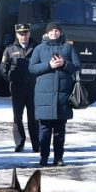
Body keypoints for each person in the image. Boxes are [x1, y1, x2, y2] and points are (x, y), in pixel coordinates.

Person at [28, 22, 80, 167]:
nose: (54, 33)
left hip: (63, 96)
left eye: (56, 31)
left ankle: (58, 158)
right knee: (44, 130)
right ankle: (43, 157)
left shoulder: (69, 47)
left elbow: (77, 66)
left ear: (60, 32)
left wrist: (64, 64)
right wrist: (49, 65)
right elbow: (32, 68)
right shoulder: (39, 48)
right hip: (44, 96)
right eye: (51, 31)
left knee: (59, 131)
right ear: (47, 33)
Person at [1, 23, 38, 153]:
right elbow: (3, 68)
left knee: (34, 117)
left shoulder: (36, 48)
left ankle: (36, 144)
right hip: (17, 88)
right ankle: (19, 142)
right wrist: (12, 79)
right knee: (17, 117)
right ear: (17, 34)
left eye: (26, 33)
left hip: (33, 87)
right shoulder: (10, 49)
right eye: (21, 34)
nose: (23, 36)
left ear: (29, 33)